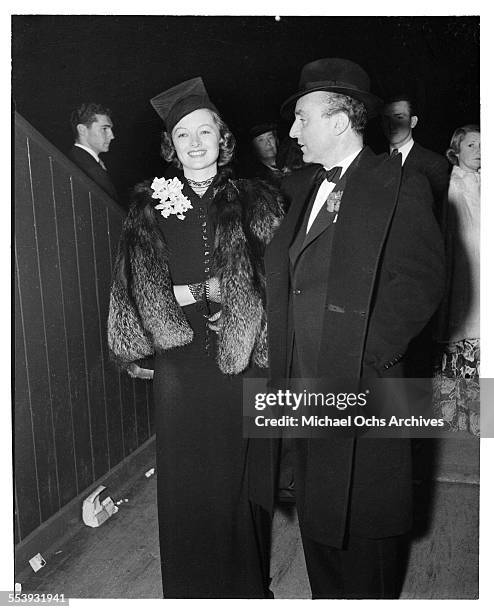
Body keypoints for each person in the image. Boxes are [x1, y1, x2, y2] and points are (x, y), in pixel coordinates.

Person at [249, 58, 445, 598]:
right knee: (320, 522)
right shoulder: (304, 187)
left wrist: (369, 355)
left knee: (365, 535)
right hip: (303, 388)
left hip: (362, 389)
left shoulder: (399, 184)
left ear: (339, 121)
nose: (292, 131)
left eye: (302, 118)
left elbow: (423, 281)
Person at [107, 76, 284, 598]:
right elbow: (131, 286)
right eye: (183, 135)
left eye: (204, 132)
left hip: (242, 357)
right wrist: (183, 296)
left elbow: (281, 281)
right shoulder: (148, 206)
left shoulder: (258, 199)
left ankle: (244, 590)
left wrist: (234, 295)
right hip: (180, 366)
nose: (195, 143)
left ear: (222, 138)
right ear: (172, 146)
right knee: (186, 481)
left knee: (239, 476)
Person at [434, 125, 480, 434]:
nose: (478, 150)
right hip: (466, 273)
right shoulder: (452, 183)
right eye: (471, 145)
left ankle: (481, 417)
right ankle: (457, 415)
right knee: (464, 334)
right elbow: (449, 235)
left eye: (483, 145)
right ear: (457, 150)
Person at [381, 94, 449, 221]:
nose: (392, 125)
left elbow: (438, 219)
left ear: (413, 122)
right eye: (386, 119)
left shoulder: (434, 164)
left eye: (399, 117)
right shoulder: (375, 161)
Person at [68, 102, 119, 201]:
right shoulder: (84, 166)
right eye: (104, 129)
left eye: (110, 129)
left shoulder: (83, 160)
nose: (112, 136)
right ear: (82, 130)